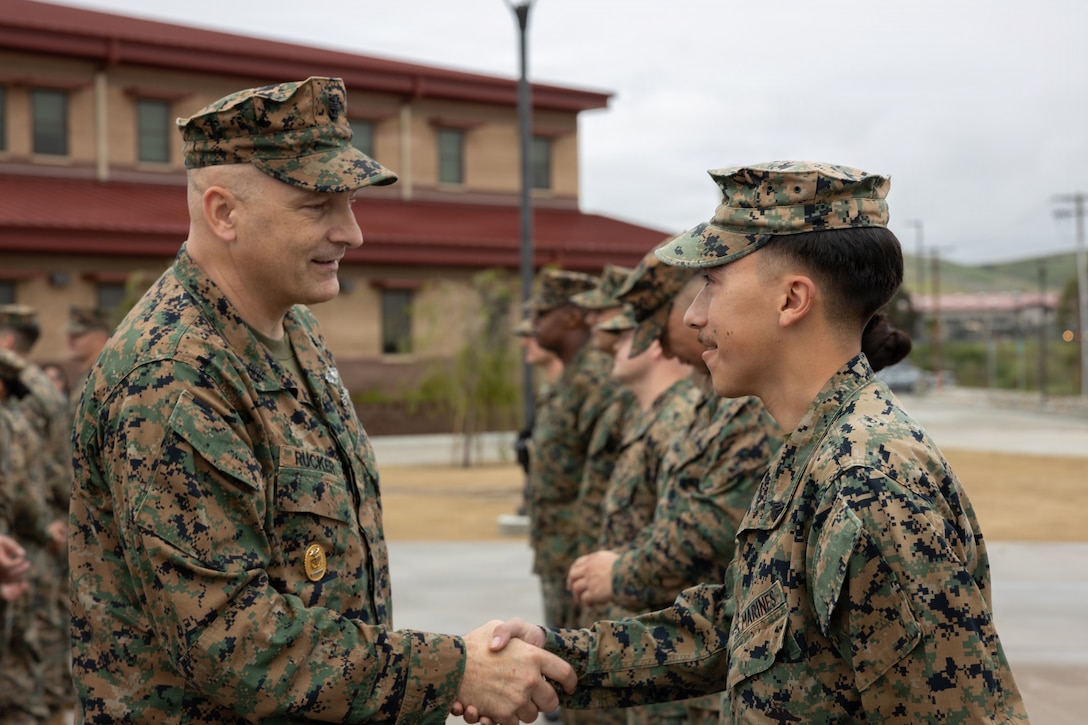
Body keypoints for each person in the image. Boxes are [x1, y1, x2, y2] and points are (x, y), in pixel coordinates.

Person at [68, 76, 574, 724]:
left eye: (352, 204)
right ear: (224, 212)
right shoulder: (171, 376)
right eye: (318, 207)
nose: (353, 233)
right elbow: (233, 639)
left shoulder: (292, 327)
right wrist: (454, 669)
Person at [470, 161, 1029, 722]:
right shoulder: (812, 450)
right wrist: (561, 653)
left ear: (791, 301)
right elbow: (740, 624)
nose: (692, 316)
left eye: (712, 285)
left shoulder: (868, 486)